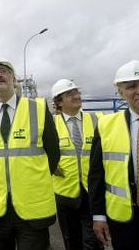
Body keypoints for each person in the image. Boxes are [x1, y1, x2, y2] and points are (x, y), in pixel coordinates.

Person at [0, 56, 60, 250]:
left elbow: (53, 154)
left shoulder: (37, 108)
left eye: (4, 70)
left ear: (14, 80)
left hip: (32, 209)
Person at [88, 60, 139, 250]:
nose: (138, 91)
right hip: (122, 218)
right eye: (131, 86)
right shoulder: (105, 125)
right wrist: (98, 216)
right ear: (120, 92)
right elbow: (96, 174)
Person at [51, 79, 103, 250]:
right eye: (70, 94)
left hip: (92, 190)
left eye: (77, 92)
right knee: (71, 240)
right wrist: (51, 165)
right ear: (59, 102)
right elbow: (39, 151)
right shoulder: (50, 124)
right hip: (65, 192)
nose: (76, 96)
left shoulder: (97, 119)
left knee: (94, 240)